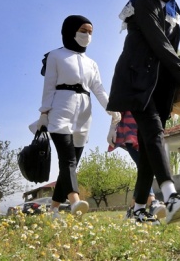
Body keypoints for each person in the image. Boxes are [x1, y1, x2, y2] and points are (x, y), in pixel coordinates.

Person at [106, 0, 180, 224]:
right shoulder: (144, 1)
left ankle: (137, 209)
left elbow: (173, 50)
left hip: (160, 86)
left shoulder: (175, 11)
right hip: (137, 82)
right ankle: (171, 197)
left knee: (150, 147)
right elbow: (159, 43)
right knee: (154, 132)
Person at [35, 14, 121, 219]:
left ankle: (53, 209)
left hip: (84, 112)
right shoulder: (56, 56)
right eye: (83, 31)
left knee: (73, 162)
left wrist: (112, 109)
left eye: (90, 32)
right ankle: (75, 201)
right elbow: (48, 86)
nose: (87, 35)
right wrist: (44, 113)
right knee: (67, 160)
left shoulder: (91, 63)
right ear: (70, 31)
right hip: (60, 108)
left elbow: (98, 88)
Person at [107, 111, 166, 219]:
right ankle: (152, 202)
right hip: (130, 132)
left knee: (143, 169)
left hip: (146, 130)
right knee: (145, 166)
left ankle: (132, 207)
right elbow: (118, 104)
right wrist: (112, 127)